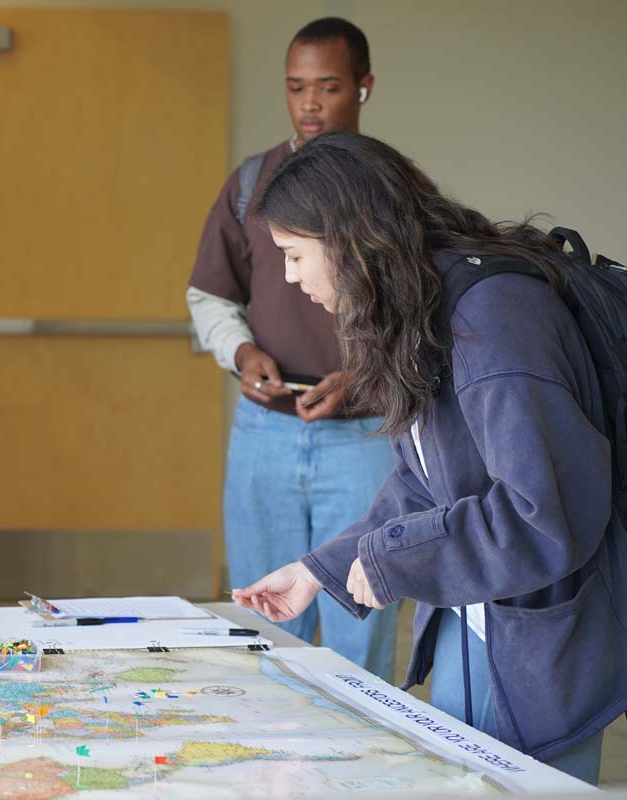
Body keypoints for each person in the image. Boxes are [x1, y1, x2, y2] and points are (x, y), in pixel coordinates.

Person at [233, 131, 616, 784]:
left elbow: (543, 514)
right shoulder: (423, 307)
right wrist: (320, 570)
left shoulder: (492, 319)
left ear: (349, 234)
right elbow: (424, 485)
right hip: (478, 627)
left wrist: (390, 560)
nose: (291, 278)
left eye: (295, 255)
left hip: (538, 646)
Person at [186, 17, 398, 679]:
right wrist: (243, 356)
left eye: (328, 87)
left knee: (358, 626)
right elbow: (211, 297)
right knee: (262, 622)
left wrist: (362, 378)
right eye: (296, 87)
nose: (310, 103)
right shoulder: (252, 184)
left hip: (365, 435)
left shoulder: (394, 189)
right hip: (264, 434)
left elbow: (424, 314)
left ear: (363, 88)